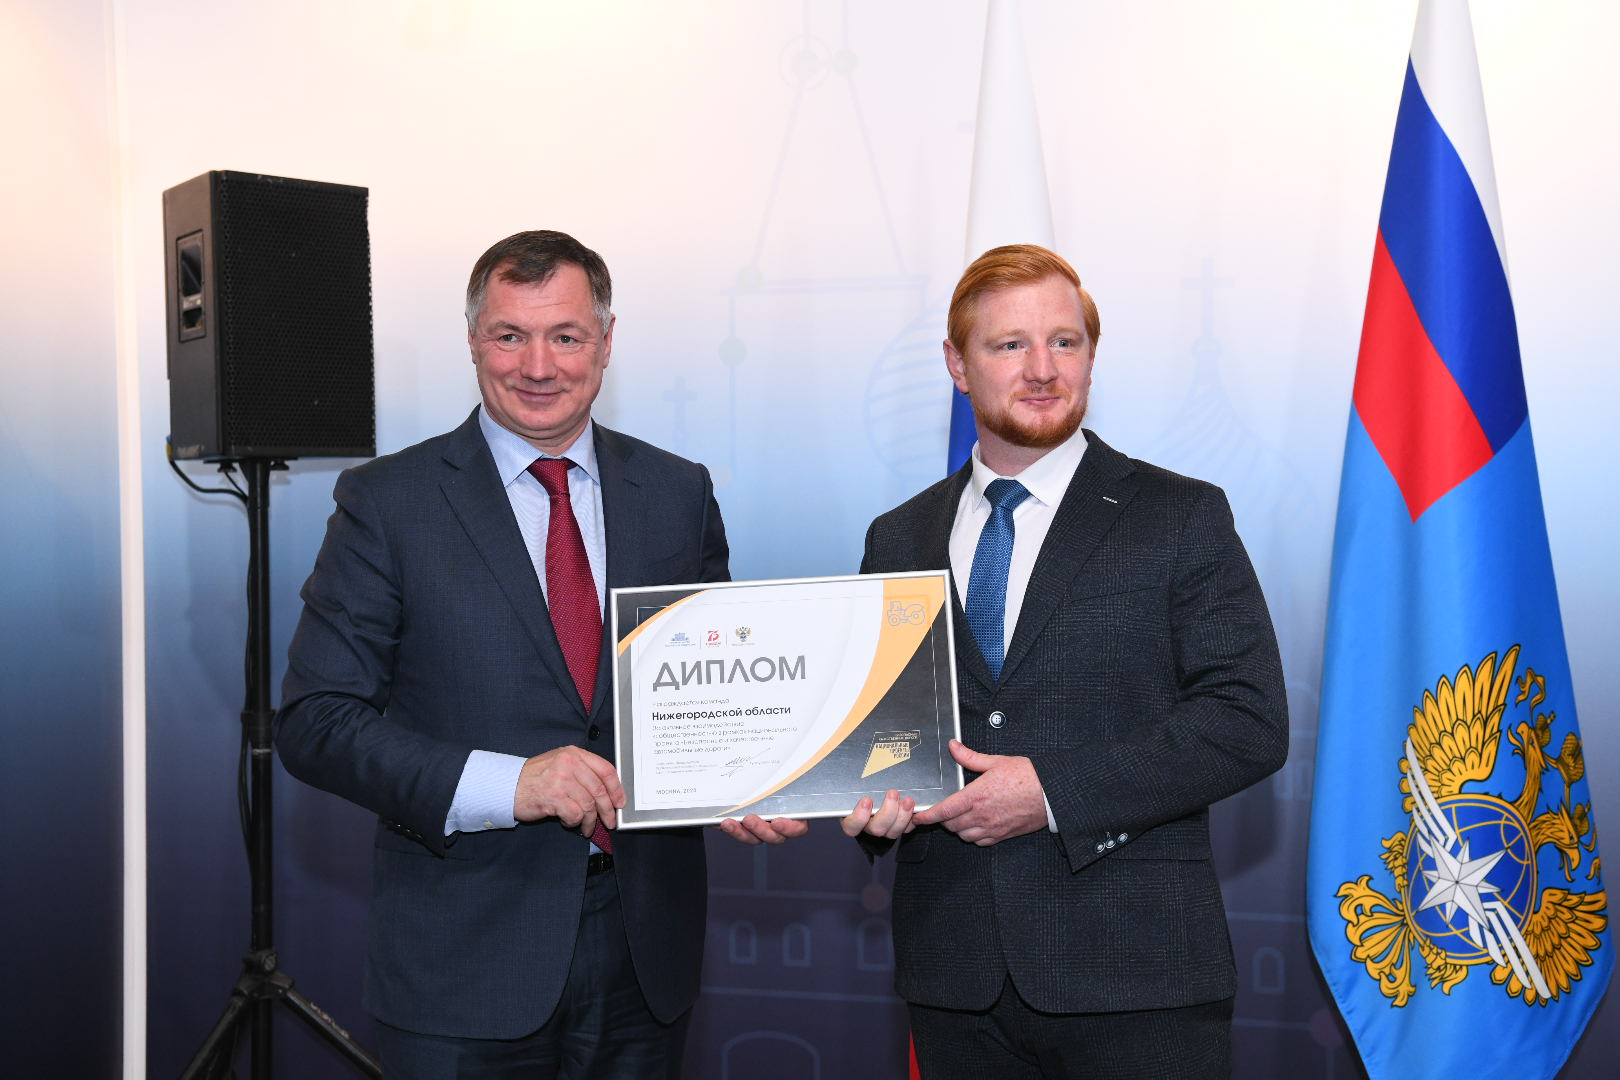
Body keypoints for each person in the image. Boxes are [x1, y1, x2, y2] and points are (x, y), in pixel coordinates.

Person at [276, 230, 801, 1080]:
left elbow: (714, 686)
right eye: (510, 335)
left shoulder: (677, 493)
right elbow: (317, 722)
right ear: (472, 340)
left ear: (607, 341)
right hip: (463, 959)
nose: (538, 366)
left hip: (645, 952)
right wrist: (508, 783)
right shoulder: (388, 502)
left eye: (566, 336)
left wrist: (750, 777)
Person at [842, 244, 1288, 1078]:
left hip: (1139, 976)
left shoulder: (1179, 516)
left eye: (1065, 342)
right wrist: (870, 802)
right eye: (1010, 344)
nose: (1042, 369)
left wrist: (1050, 792)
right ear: (958, 365)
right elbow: (886, 739)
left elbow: (1247, 721)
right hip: (955, 976)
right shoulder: (897, 537)